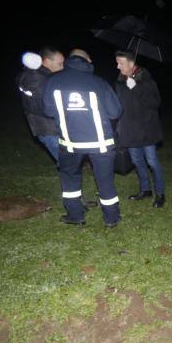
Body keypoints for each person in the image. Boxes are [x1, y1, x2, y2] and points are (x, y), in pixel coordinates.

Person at [43, 49, 122, 227]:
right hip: (101, 144)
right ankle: (111, 219)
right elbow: (116, 111)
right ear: (86, 61)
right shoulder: (98, 82)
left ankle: (76, 215)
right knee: (105, 181)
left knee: (70, 179)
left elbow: (47, 110)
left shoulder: (53, 81)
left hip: (69, 144)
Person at [114, 50, 166, 208]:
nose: (118, 66)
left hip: (146, 130)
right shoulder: (120, 81)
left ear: (131, 63)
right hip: (129, 130)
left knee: (151, 161)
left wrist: (135, 87)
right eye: (117, 63)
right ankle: (145, 190)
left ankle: (160, 193)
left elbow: (154, 103)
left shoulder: (146, 80)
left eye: (121, 63)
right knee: (137, 161)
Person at [16, 46, 64, 163]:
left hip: (49, 126)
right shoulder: (35, 78)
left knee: (68, 159)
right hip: (47, 127)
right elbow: (45, 106)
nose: (63, 67)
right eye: (60, 63)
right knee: (65, 162)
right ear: (47, 62)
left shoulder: (41, 75)